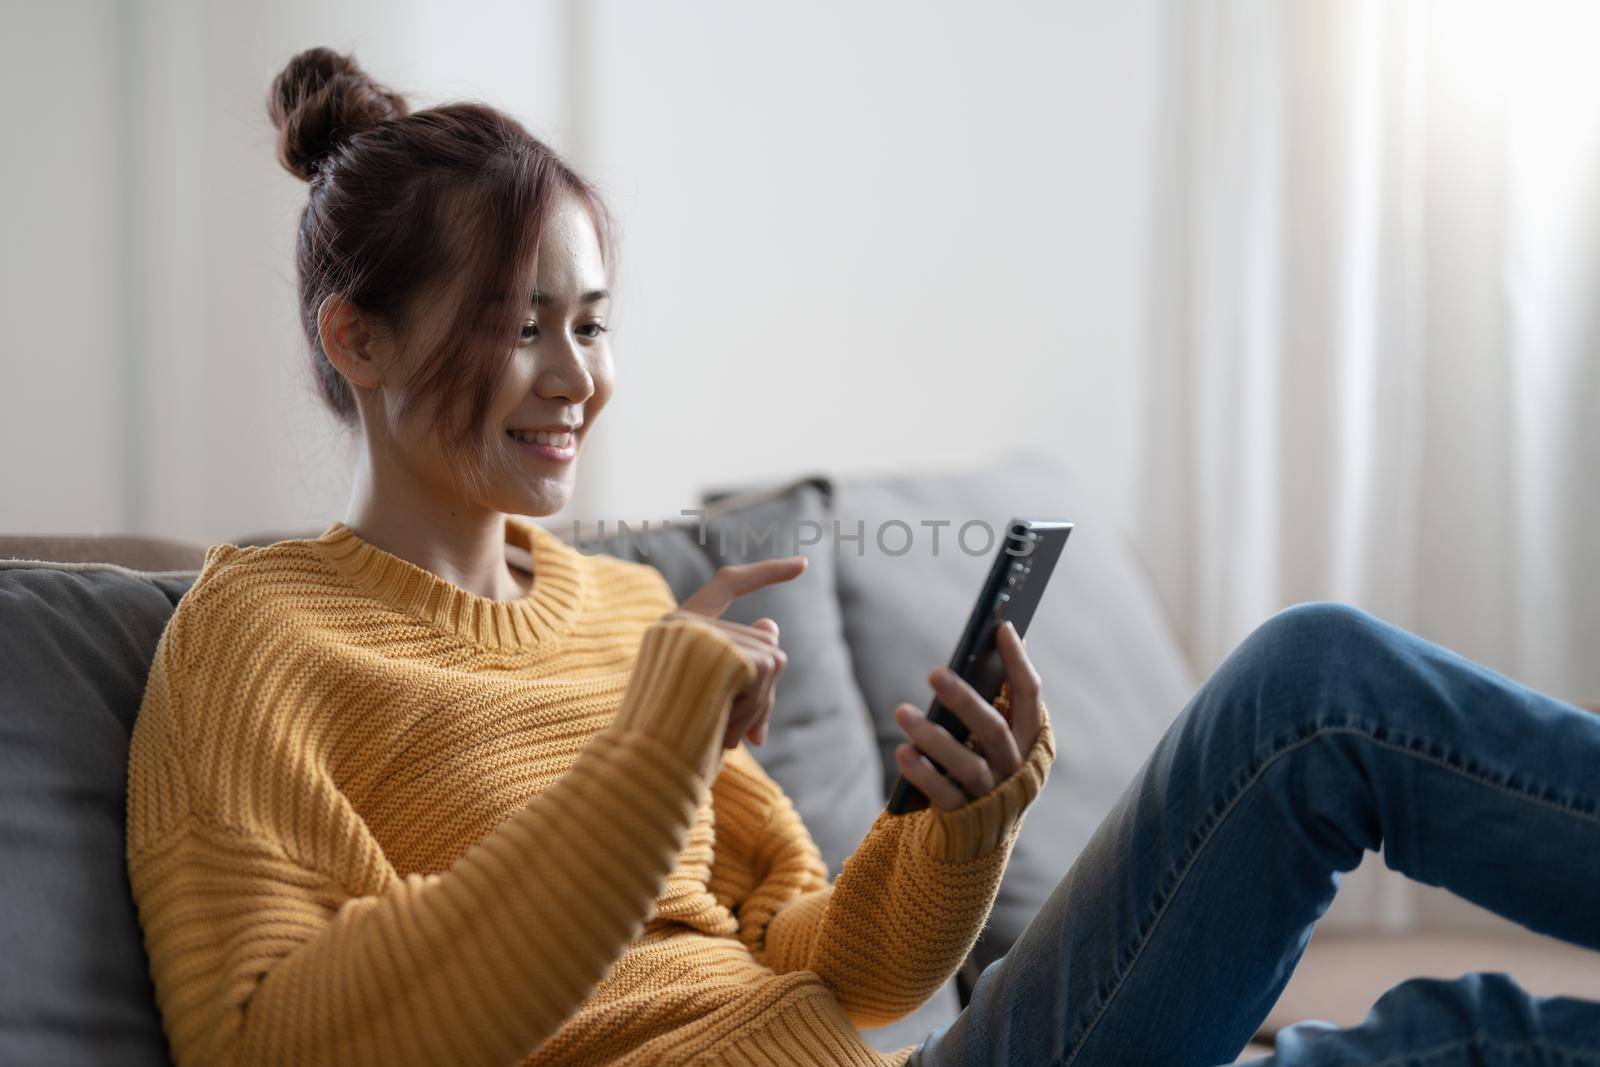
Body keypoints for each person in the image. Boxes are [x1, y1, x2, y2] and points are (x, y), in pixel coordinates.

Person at [122, 47, 1600, 1067]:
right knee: (1313, 693)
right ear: (355, 337)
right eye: (521, 323)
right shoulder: (261, 635)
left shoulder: (621, 609)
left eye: (594, 319)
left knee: (1482, 1030)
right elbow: (275, 1036)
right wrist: (648, 756)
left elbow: (839, 964)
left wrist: (958, 819)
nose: (577, 375)